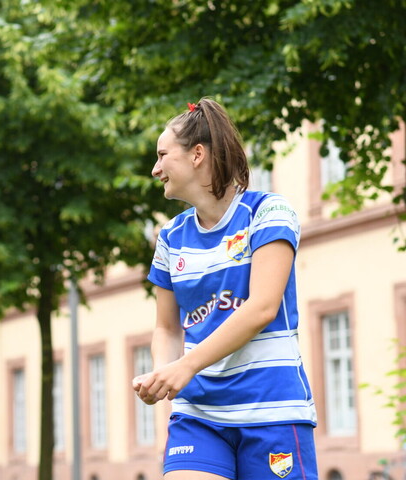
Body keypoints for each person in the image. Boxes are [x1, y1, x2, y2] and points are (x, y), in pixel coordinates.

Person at [133, 98, 318, 479]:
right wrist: (162, 375)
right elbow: (167, 328)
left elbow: (263, 307)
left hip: (272, 410)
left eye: (162, 155)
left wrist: (185, 367)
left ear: (197, 154)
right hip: (198, 414)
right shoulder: (170, 237)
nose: (155, 169)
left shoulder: (269, 212)